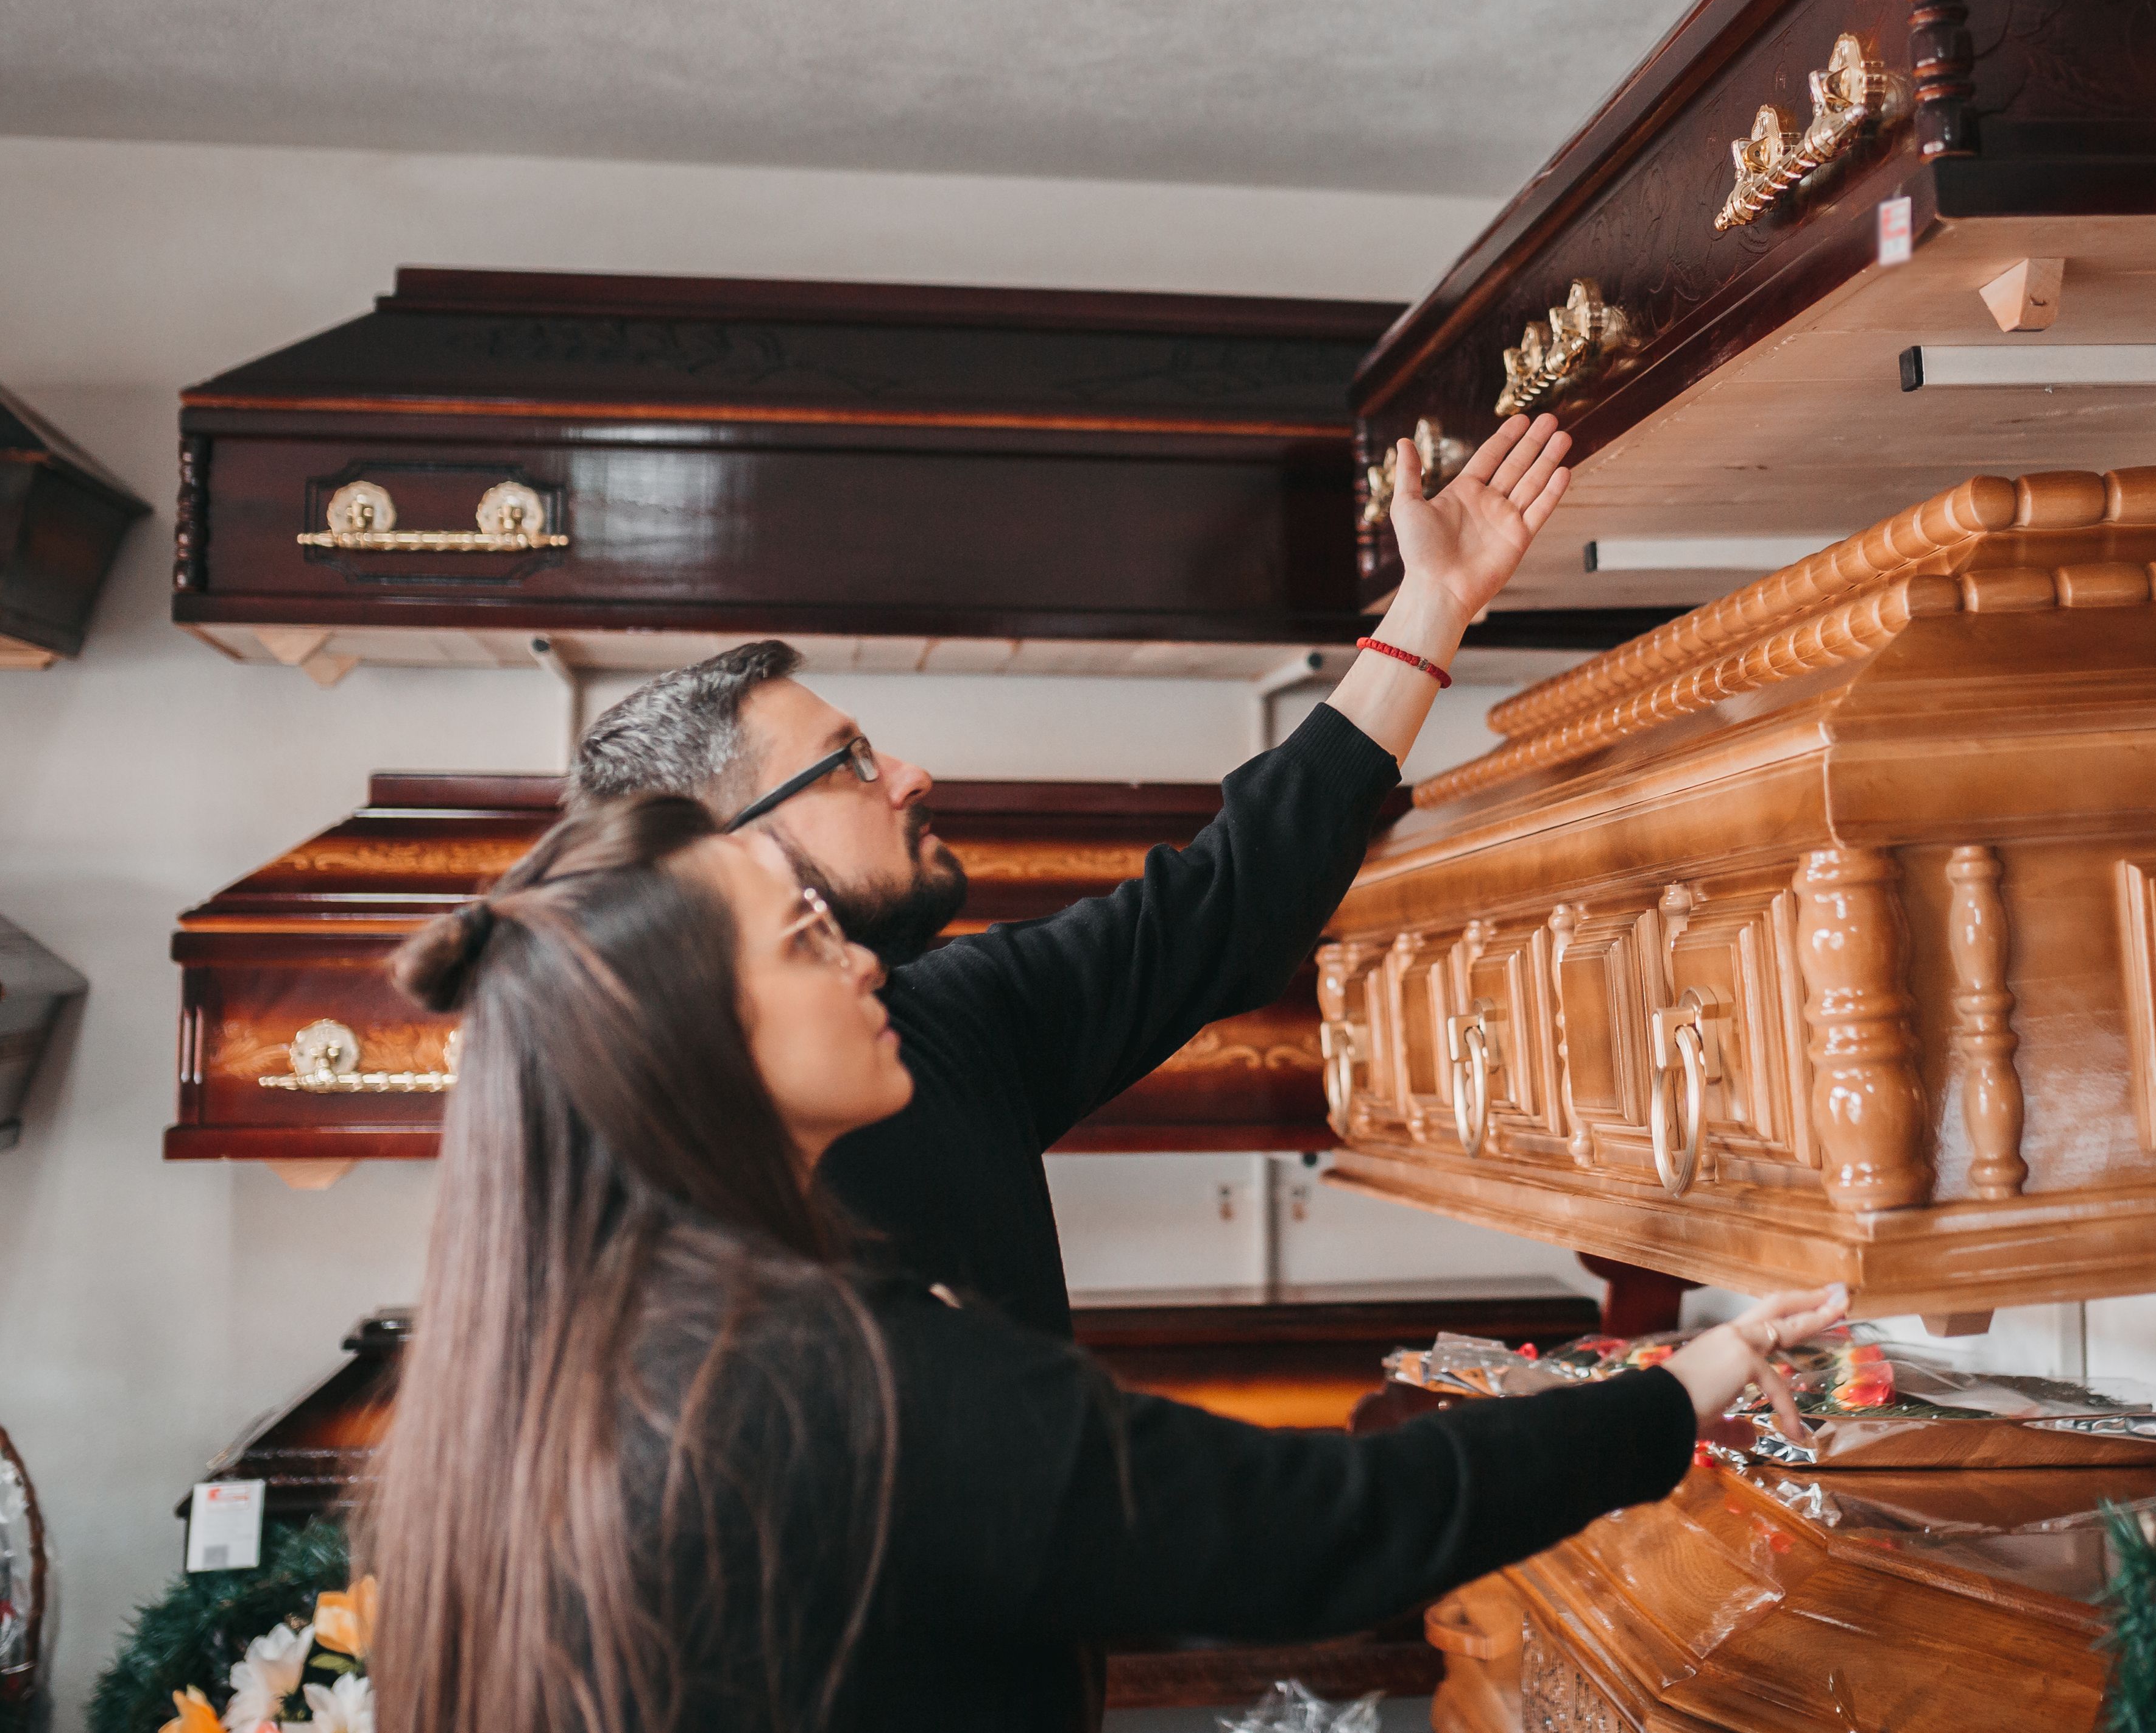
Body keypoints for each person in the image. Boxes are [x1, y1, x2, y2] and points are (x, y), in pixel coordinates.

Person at [365, 793, 1843, 1733]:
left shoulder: (586, 1345)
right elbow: (1321, 1530)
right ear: (704, 1048)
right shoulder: (836, 1374)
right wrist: (1688, 1385)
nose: (868, 964)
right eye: (808, 942)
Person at [562, 410, 1577, 1341]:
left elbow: (1228, 904)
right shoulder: (658, 1218)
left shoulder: (944, 1020)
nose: (912, 777)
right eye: (852, 762)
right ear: (724, 852)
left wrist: (1434, 604)